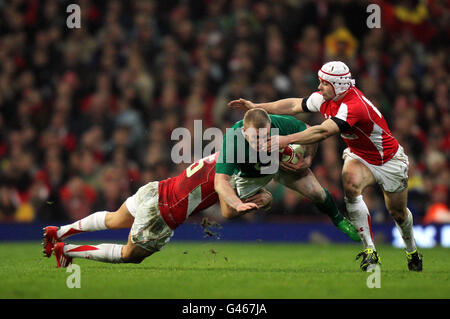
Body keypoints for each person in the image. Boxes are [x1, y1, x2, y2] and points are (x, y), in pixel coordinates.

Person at [228, 61, 423, 271]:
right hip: (359, 156)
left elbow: (321, 132)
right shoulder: (326, 98)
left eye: (324, 83)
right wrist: (256, 106)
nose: (319, 87)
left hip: (389, 160)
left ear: (338, 85)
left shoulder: (353, 106)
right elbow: (293, 105)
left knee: (398, 212)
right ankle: (370, 252)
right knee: (351, 186)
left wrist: (283, 140)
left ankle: (412, 250)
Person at [43, 152, 273, 268]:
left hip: (158, 188)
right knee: (129, 255)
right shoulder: (231, 176)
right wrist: (251, 204)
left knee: (113, 219)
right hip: (163, 212)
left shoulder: (223, 153)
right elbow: (227, 211)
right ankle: (67, 250)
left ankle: (60, 231)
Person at [214, 108, 360, 242]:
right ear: (244, 131)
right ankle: (265, 196)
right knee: (229, 213)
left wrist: (308, 158)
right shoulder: (233, 140)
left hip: (279, 163)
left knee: (317, 193)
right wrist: (237, 204)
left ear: (269, 126)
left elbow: (311, 131)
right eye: (256, 138)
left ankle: (339, 219)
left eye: (265, 136)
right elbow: (220, 181)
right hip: (251, 173)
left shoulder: (279, 123)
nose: (261, 142)